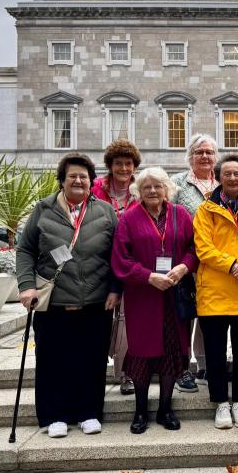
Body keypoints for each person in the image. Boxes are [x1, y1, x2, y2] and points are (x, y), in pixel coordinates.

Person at [16, 153, 120, 438]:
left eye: (83, 176)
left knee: (92, 359)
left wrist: (115, 288)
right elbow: (25, 250)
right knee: (52, 360)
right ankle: (55, 415)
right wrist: (26, 286)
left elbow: (118, 254)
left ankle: (89, 412)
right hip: (54, 301)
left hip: (95, 301)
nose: (78, 180)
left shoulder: (105, 212)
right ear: (61, 181)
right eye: (72, 176)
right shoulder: (43, 209)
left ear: (91, 181)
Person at [111, 167, 198, 434]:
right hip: (143, 296)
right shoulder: (129, 218)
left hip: (174, 293)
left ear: (166, 189)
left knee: (172, 351)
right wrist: (148, 277)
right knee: (142, 353)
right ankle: (140, 411)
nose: (152, 191)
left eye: (158, 186)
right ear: (138, 191)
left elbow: (194, 248)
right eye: (146, 186)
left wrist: (183, 267)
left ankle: (165, 409)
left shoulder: (180, 214)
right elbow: (121, 258)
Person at [194, 155, 238, 429]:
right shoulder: (206, 209)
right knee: (215, 352)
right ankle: (221, 402)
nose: (233, 178)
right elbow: (203, 248)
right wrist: (232, 265)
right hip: (214, 290)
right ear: (218, 177)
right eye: (228, 174)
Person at [91, 139, 142, 396]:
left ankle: (127, 373)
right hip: (99, 262)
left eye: (128, 164)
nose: (124, 168)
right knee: (99, 321)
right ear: (110, 166)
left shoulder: (140, 190)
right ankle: (94, 371)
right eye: (118, 163)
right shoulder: (95, 189)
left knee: (127, 322)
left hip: (130, 261)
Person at [170, 133, 219, 392]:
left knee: (209, 316)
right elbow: (167, 219)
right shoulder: (177, 183)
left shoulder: (222, 182)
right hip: (186, 261)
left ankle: (204, 364)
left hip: (216, 263)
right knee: (184, 315)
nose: (204, 156)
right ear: (190, 156)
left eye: (209, 152)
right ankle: (181, 367)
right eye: (199, 152)